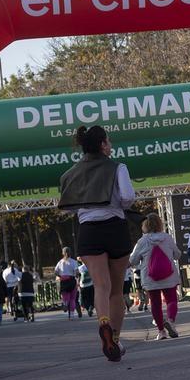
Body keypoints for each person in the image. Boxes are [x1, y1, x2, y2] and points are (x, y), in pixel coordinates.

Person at [58, 125, 136, 361]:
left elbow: (67, 207)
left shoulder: (71, 173)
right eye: (108, 141)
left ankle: (103, 322)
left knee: (101, 286)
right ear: (102, 145)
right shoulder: (118, 167)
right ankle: (116, 339)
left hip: (88, 231)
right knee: (117, 290)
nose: (110, 145)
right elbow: (128, 197)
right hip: (115, 227)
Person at [129, 213, 183, 339]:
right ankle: (170, 320)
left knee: (155, 303)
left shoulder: (142, 241)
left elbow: (133, 260)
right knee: (171, 300)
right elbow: (177, 255)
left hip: (150, 277)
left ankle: (161, 331)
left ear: (145, 225)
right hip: (168, 275)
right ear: (160, 224)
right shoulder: (167, 238)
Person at [54, 248, 81, 319]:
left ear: (63, 253)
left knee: (65, 296)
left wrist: (60, 276)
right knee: (72, 298)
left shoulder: (60, 262)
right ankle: (72, 315)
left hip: (63, 280)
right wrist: (76, 276)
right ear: (70, 253)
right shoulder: (74, 262)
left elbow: (55, 272)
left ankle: (65, 303)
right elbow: (77, 272)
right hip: (71, 280)